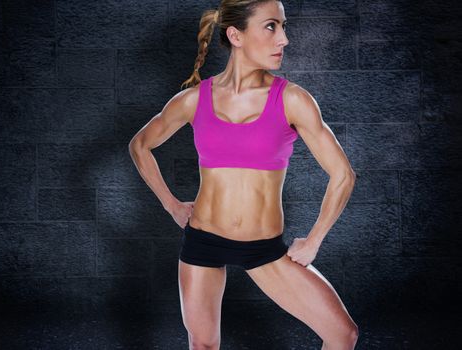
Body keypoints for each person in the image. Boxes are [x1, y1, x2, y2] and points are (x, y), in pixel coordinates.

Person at [128, 1, 359, 349]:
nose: (283, 39)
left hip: (263, 248)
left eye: (283, 26)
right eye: (271, 26)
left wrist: (314, 240)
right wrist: (171, 205)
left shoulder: (292, 100)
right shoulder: (193, 99)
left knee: (342, 335)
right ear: (236, 35)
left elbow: (342, 174)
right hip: (202, 241)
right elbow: (140, 145)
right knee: (203, 344)